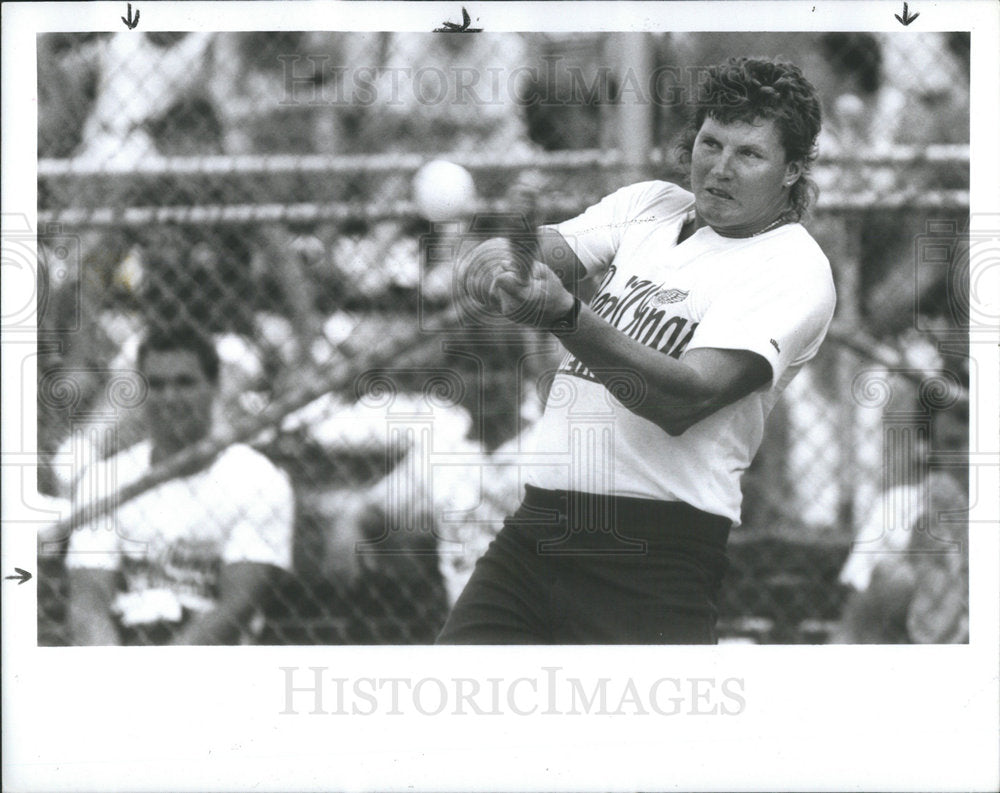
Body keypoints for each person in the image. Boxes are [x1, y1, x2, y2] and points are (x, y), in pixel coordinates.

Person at [436, 57, 837, 644]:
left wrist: (568, 318)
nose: (720, 169)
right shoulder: (650, 206)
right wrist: (502, 264)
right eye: (711, 143)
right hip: (535, 536)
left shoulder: (793, 268)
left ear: (792, 170)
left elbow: (684, 398)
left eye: (749, 154)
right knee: (454, 709)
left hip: (652, 557)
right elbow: (547, 252)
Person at [65, 324, 294, 645]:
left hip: (211, 661)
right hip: (121, 651)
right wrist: (112, 678)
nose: (170, 397)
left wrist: (162, 678)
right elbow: (89, 605)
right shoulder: (104, 478)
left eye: (184, 383)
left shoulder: (259, 479)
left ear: (214, 387)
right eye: (156, 385)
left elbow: (236, 607)